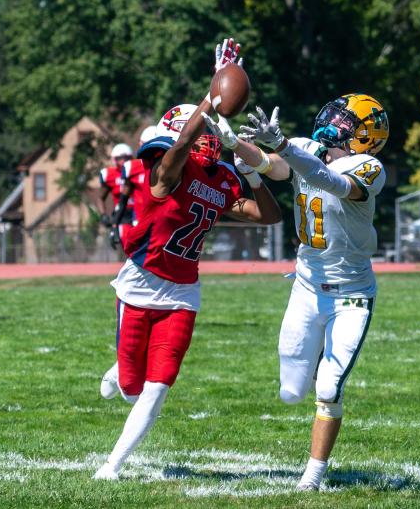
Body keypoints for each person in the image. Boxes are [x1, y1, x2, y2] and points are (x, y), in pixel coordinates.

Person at [92, 38, 282, 481]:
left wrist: (252, 172)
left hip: (182, 291)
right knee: (131, 387)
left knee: (157, 388)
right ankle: (120, 369)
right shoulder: (166, 170)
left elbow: (268, 216)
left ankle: (111, 466)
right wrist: (212, 96)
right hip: (139, 283)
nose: (210, 142)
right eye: (205, 133)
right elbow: (180, 146)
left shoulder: (221, 179)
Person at [235, 94, 390, 491]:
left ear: (366, 136)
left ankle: (313, 474)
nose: (333, 121)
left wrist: (281, 144)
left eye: (345, 119)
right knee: (290, 393)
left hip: (351, 294)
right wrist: (238, 147)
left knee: (328, 387)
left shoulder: (369, 167)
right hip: (306, 286)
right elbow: (274, 167)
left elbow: (329, 181)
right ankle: (319, 355)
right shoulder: (307, 148)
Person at [97, 143, 135, 248]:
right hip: (121, 214)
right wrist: (103, 214)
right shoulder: (109, 175)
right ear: (114, 159)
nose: (123, 161)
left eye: (126, 158)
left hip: (138, 211)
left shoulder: (138, 169)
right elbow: (100, 198)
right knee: (126, 241)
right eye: (120, 158)